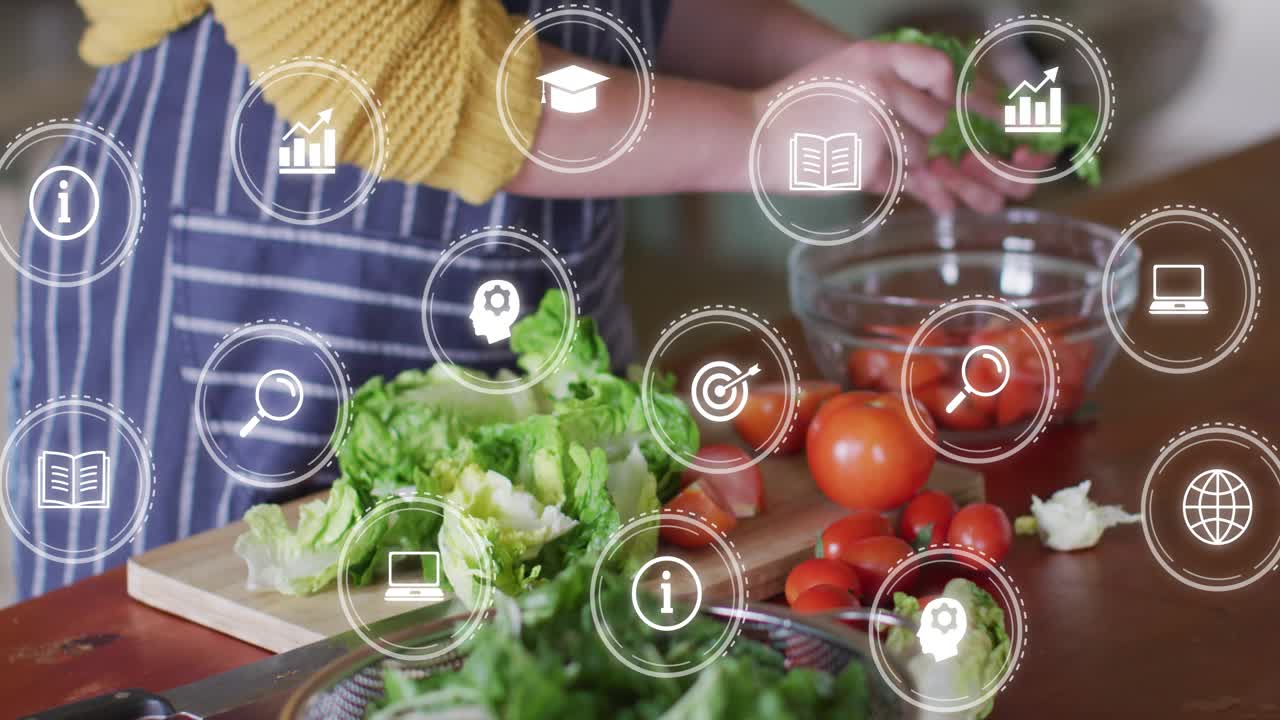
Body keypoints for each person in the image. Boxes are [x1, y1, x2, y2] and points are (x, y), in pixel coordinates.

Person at [11, 0, 1042, 599]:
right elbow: (385, 66)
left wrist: (845, 80)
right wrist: (763, 132)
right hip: (249, 276)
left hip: (512, 274)